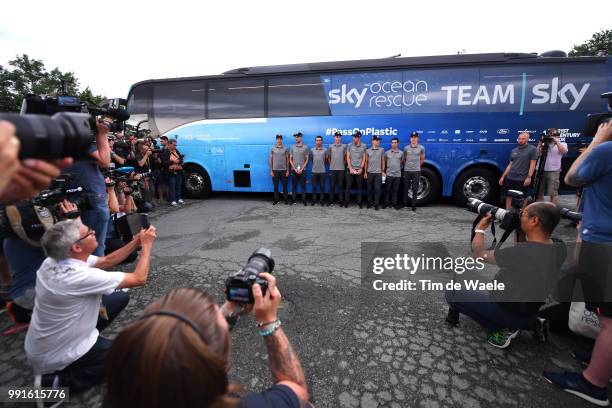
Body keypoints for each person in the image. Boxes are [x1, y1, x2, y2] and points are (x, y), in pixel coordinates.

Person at [106, 275, 309, 408]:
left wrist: (228, 311)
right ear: (219, 364)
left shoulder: (120, 395)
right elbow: (296, 388)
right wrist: (268, 321)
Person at [24, 219, 157, 390]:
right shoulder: (77, 276)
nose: (94, 232)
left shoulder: (55, 260)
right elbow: (139, 278)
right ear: (76, 247)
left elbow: (107, 260)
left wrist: (136, 241)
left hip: (46, 342)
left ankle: (90, 342)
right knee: (128, 358)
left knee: (119, 298)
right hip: (56, 353)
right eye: (89, 233)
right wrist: (147, 246)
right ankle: (54, 385)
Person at [543, 121, 612, 407]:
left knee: (609, 320)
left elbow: (572, 176)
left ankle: (593, 383)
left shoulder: (606, 150)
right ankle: (602, 357)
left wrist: (598, 140)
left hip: (604, 240)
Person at [445, 202, 566, 349]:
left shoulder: (521, 254)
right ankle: (534, 323)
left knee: (452, 293)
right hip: (531, 310)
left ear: (534, 221)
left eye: (523, 214)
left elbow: (478, 254)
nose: (519, 216)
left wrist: (480, 230)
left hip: (508, 311)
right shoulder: (560, 247)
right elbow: (527, 249)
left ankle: (501, 328)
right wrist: (519, 227)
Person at [63, 120, 112, 256]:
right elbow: (104, 161)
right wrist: (102, 134)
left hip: (67, 196)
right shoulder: (79, 141)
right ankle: (94, 275)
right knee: (94, 243)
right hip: (89, 195)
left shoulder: (54, 142)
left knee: (74, 244)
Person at [499, 132, 537, 209]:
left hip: (522, 178)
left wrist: (529, 177)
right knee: (508, 195)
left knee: (523, 196)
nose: (520, 140)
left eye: (523, 139)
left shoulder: (532, 149)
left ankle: (522, 212)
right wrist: (503, 177)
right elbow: (510, 165)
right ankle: (507, 211)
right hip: (510, 177)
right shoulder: (514, 150)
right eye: (519, 138)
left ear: (527, 139)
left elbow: (533, 164)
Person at [536, 128, 568, 205]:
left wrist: (557, 141)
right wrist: (540, 142)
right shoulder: (544, 144)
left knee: (553, 193)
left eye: (554, 135)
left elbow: (564, 151)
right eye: (551, 134)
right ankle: (541, 211)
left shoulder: (562, 144)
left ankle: (552, 211)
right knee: (539, 192)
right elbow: (536, 154)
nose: (552, 136)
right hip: (541, 169)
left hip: (554, 171)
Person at [344, 131, 367, 208]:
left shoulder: (364, 146)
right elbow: (348, 157)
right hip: (350, 169)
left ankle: (359, 202)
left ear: (359, 137)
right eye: (353, 137)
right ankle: (346, 202)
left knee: (359, 187)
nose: (354, 138)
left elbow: (364, 158)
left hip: (359, 169)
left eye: (356, 137)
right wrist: (350, 168)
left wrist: (361, 169)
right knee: (348, 186)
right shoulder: (349, 145)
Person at [161, 139, 184, 206]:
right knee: (172, 186)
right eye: (174, 145)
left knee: (178, 186)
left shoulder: (176, 151)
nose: (175, 146)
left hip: (178, 170)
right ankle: (173, 200)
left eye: (175, 145)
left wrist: (179, 161)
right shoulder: (166, 152)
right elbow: (164, 162)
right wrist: (173, 162)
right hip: (171, 172)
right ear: (169, 144)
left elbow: (180, 159)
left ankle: (179, 198)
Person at [365, 136, 385, 210]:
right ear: (372, 141)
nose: (378, 142)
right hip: (370, 172)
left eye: (378, 140)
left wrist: (382, 171)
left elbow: (383, 160)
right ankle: (369, 203)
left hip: (378, 173)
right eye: (376, 140)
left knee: (377, 189)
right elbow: (366, 162)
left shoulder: (382, 150)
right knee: (369, 189)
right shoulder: (368, 150)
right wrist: (365, 172)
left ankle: (376, 204)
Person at [289, 132, 309, 205]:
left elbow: (307, 159)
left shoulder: (305, 147)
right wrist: (294, 168)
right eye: (295, 137)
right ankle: (293, 200)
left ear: (301, 137)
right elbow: (290, 159)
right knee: (294, 185)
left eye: (298, 137)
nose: (296, 138)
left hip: (302, 170)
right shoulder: (292, 147)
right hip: (294, 170)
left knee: (303, 186)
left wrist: (301, 169)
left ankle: (304, 200)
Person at [327, 131, 346, 206]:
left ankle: (341, 201)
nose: (337, 138)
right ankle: (331, 200)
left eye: (339, 137)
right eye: (336, 137)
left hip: (341, 169)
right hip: (332, 169)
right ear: (334, 138)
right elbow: (328, 157)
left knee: (340, 186)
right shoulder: (330, 146)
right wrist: (331, 164)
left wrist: (343, 164)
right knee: (332, 185)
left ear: (340, 138)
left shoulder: (344, 146)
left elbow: (345, 157)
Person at [269, 134, 289, 205]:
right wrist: (271, 170)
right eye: (278, 139)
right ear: (276, 140)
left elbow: (287, 160)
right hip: (275, 170)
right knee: (276, 186)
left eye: (280, 139)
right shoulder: (272, 148)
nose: (279, 140)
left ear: (282, 140)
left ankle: (286, 199)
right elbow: (270, 159)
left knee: (285, 186)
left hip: (284, 170)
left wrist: (287, 170)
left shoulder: (286, 148)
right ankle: (276, 200)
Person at [384, 137, 403, 210]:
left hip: (397, 175)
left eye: (395, 142)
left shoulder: (401, 153)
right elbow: (385, 162)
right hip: (389, 174)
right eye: (392, 142)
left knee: (395, 190)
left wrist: (397, 168)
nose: (394, 144)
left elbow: (402, 163)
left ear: (397, 143)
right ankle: (386, 204)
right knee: (387, 190)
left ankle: (394, 204)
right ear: (391, 143)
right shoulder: (387, 153)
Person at [310, 135, 327, 206]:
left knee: (322, 187)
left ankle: (322, 201)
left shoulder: (325, 150)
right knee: (314, 187)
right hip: (314, 171)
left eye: (319, 140)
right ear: (315, 141)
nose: (318, 142)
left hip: (322, 171)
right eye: (317, 140)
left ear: (322, 141)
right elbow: (311, 159)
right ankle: (314, 200)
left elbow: (326, 160)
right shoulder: (312, 150)